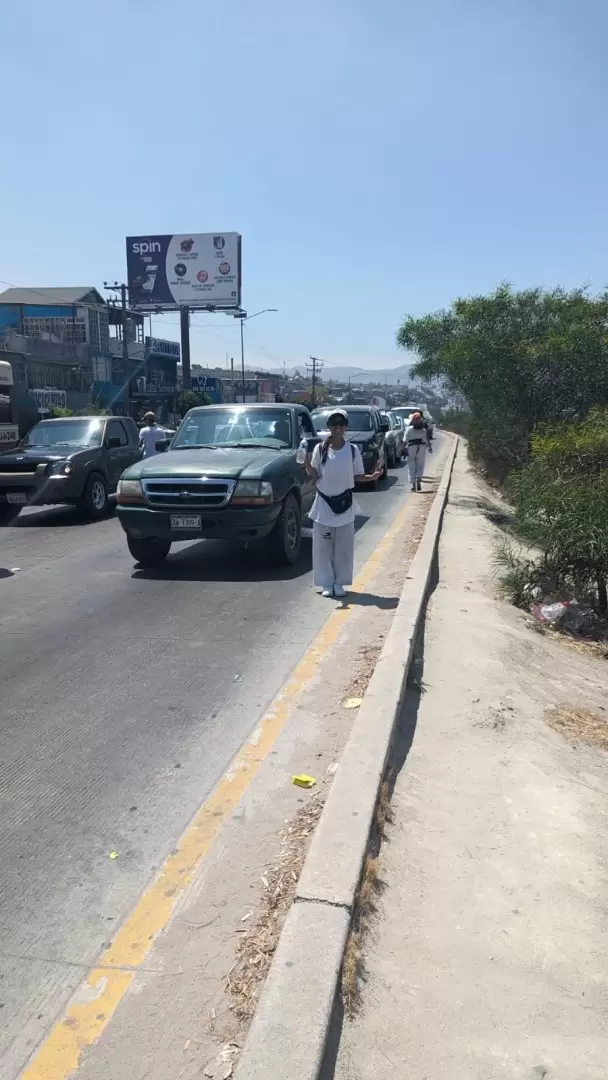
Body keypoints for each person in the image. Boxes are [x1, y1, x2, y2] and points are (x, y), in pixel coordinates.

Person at [305, 409, 364, 598]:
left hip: (345, 505)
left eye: (341, 424)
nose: (338, 428)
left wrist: (373, 476)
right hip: (323, 504)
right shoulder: (320, 449)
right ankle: (326, 583)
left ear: (346, 427)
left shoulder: (353, 451)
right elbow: (315, 474)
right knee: (323, 548)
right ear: (329, 427)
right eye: (334, 424)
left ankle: (340, 583)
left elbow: (358, 475)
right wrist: (306, 463)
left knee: (344, 548)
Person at [404, 411, 431, 492]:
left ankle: (413, 485)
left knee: (411, 466)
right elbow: (426, 440)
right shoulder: (423, 430)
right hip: (421, 448)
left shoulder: (409, 429)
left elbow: (405, 440)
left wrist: (404, 449)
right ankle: (418, 479)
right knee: (420, 465)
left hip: (411, 448)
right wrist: (429, 447)